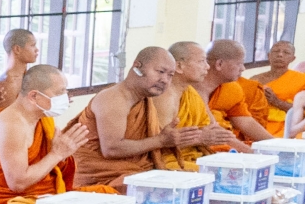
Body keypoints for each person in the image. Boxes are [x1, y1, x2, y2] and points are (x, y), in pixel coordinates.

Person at [73, 47, 220, 188]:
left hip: (136, 172)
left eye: (170, 75)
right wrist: (161, 140)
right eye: (160, 72)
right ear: (137, 66)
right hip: (103, 178)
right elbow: (111, 149)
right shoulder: (114, 98)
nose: (164, 80)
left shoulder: (145, 100)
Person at [0, 63, 102, 204]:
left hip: (44, 196)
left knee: (108, 197)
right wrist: (56, 154)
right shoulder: (11, 125)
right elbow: (18, 183)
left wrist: (62, 155)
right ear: (34, 96)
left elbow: (49, 165)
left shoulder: (42, 118)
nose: (66, 97)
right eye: (60, 92)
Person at [166, 41, 240, 151]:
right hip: (170, 162)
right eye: (202, 61)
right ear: (179, 66)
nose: (208, 66)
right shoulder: (164, 96)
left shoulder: (191, 93)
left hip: (192, 157)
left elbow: (212, 127)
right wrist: (199, 138)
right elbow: (159, 145)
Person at [204, 40, 274, 144]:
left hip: (223, 147)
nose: (243, 68)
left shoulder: (231, 89)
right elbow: (212, 130)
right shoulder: (191, 89)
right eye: (239, 63)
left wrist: (276, 145)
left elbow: (246, 122)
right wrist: (249, 153)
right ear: (219, 64)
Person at [252, 38, 305, 136]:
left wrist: (276, 102)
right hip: (256, 125)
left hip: (286, 127)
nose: (280, 55)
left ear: (293, 58)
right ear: (269, 56)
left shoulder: (303, 80)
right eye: (276, 51)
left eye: (286, 52)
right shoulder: (255, 79)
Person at [0, 28, 40, 118]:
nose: (37, 50)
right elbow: (6, 120)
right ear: (17, 49)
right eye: (32, 45)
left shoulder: (27, 76)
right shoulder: (7, 84)